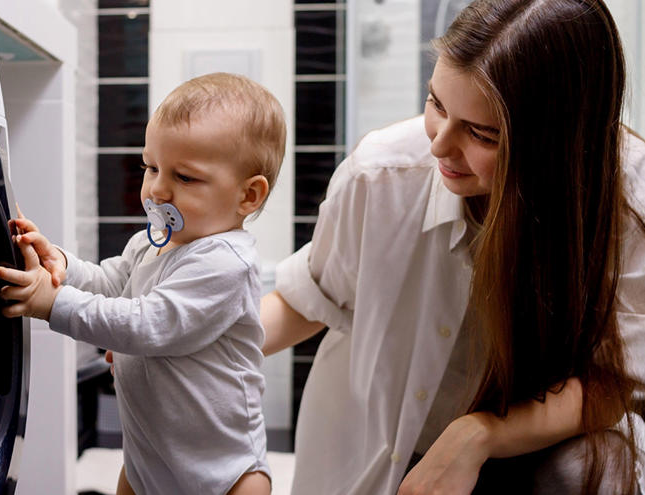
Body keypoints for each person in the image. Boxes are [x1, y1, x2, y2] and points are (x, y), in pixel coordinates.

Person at [260, 0, 645, 494]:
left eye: (481, 133)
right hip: (395, 450)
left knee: (596, 468)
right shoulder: (381, 175)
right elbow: (308, 300)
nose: (439, 146)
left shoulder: (628, 203)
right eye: (436, 104)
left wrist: (478, 434)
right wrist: (185, 339)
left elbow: (613, 383)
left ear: (557, 145)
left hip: (541, 450)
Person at [0, 72, 287, 494]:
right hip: (149, 459)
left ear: (248, 195)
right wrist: (60, 265)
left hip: (226, 473)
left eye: (185, 177)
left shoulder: (226, 263)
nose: (158, 190)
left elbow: (147, 324)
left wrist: (52, 301)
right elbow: (110, 283)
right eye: (152, 167)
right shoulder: (153, 242)